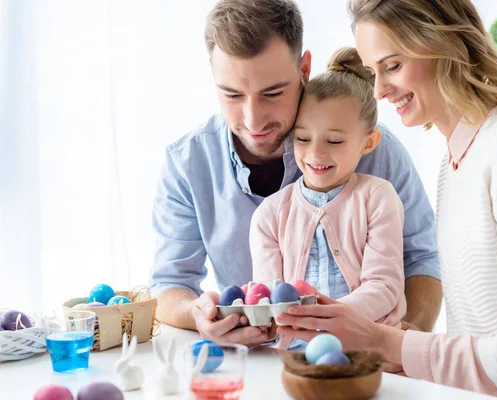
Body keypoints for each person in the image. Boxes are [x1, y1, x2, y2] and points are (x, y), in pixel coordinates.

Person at [276, 0, 497, 398]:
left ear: (444, 45)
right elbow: (485, 335)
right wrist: (405, 348)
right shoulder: (458, 155)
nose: (379, 90)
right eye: (373, 71)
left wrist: (383, 340)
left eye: (392, 66)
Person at [148, 0, 442, 348]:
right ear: (213, 72)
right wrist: (199, 315)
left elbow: (421, 258)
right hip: (263, 364)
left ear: (305, 69)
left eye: (272, 93)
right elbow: (168, 284)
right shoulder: (188, 162)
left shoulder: (372, 147)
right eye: (232, 94)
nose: (253, 120)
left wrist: (405, 344)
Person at [250, 47, 406, 349]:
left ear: (368, 143)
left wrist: (325, 318)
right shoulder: (269, 215)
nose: (316, 153)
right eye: (303, 139)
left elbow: (384, 287)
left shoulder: (377, 198)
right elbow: (269, 298)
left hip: (370, 351)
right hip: (292, 355)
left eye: (334, 140)